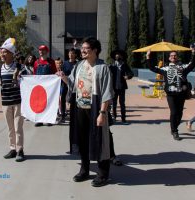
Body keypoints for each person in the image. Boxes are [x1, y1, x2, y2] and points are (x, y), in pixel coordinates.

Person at [57, 36, 114, 187]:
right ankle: (85, 169)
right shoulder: (79, 65)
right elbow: (73, 84)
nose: (82, 51)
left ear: (95, 50)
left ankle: (103, 174)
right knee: (82, 140)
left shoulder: (103, 68)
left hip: (96, 109)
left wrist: (102, 113)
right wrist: (64, 78)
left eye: (86, 48)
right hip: (80, 108)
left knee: (101, 141)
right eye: (82, 48)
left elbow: (107, 93)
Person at [146, 48, 195, 141]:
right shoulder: (165, 69)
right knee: (173, 112)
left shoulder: (183, 67)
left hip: (181, 93)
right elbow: (152, 68)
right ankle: (174, 131)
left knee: (180, 113)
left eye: (175, 55)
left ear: (177, 57)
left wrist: (193, 53)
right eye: (171, 55)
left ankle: (174, 126)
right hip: (170, 94)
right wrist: (148, 57)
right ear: (169, 58)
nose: (173, 57)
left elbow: (192, 64)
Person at [33, 45, 57, 126]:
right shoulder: (36, 62)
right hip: (39, 86)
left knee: (49, 102)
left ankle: (48, 120)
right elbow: (34, 75)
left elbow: (55, 73)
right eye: (40, 50)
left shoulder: (51, 62)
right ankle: (39, 120)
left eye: (43, 50)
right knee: (39, 103)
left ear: (47, 51)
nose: (41, 52)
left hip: (49, 86)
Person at [109, 49, 134, 124]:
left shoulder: (124, 65)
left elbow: (131, 73)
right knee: (114, 103)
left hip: (122, 87)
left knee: (122, 103)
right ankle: (114, 118)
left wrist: (128, 76)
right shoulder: (112, 65)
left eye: (119, 54)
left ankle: (123, 119)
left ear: (121, 56)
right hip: (114, 87)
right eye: (116, 54)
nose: (117, 56)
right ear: (114, 56)